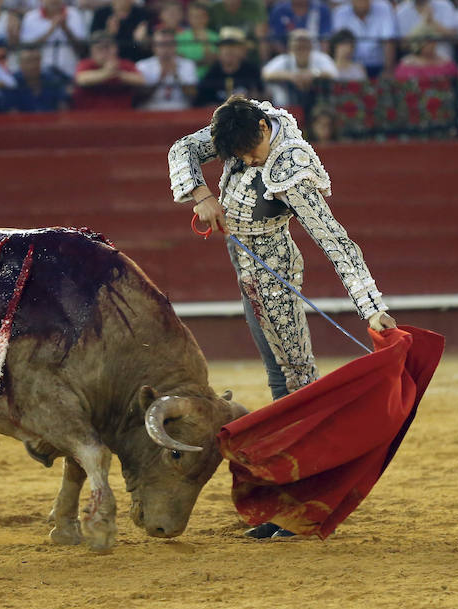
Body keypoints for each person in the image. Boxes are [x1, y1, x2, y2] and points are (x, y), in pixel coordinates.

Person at [168, 96, 396, 537]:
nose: (250, 161)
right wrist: (202, 194)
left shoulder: (293, 170)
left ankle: (303, 503)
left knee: (295, 383)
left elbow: (337, 243)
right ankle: (289, 500)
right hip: (246, 265)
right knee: (283, 379)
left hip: (274, 278)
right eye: (239, 157)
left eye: (252, 153)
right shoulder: (239, 129)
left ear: (262, 127)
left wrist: (372, 307)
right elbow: (183, 148)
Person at [262, 28, 337, 109]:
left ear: (311, 45)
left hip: (317, 103)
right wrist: (291, 76)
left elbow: (334, 73)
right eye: (298, 44)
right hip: (289, 104)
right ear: (291, 46)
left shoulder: (320, 58)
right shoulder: (285, 59)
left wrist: (313, 74)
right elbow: (266, 73)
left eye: (305, 43)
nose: (301, 46)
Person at [72, 29, 143, 109]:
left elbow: (140, 80)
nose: (104, 52)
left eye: (107, 47)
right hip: (89, 117)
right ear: (91, 51)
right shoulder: (86, 64)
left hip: (122, 117)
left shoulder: (125, 64)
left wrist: (117, 74)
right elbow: (81, 79)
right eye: (99, 48)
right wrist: (107, 72)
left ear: (116, 48)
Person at [194, 25, 262, 105]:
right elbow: (200, 102)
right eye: (224, 47)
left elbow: (263, 96)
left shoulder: (252, 71)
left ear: (243, 51)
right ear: (219, 51)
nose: (229, 50)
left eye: (234, 46)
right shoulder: (212, 73)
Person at [19, 0, 86, 80]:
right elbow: (26, 50)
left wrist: (66, 29)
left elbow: (83, 50)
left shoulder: (75, 14)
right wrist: (50, 30)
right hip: (41, 77)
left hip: (70, 73)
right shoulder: (30, 17)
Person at [135, 27, 197, 111]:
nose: (166, 49)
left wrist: (176, 75)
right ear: (154, 46)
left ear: (175, 45)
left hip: (181, 110)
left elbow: (192, 95)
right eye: (162, 44)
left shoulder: (188, 64)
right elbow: (139, 97)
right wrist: (160, 77)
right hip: (150, 111)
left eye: (169, 44)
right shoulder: (142, 65)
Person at [331, 0, 398, 78]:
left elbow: (389, 41)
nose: (361, 2)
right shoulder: (340, 13)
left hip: (378, 65)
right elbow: (338, 43)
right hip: (351, 65)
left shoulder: (384, 8)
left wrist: (388, 70)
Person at [0, 43, 69, 111]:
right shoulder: (11, 84)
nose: (33, 65)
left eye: (36, 60)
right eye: (29, 61)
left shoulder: (53, 81)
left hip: (51, 122)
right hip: (22, 122)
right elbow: (11, 115)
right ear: (20, 63)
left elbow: (62, 109)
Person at [268, 0, 334, 56]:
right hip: (286, 56)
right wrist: (291, 58)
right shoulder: (279, 11)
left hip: (316, 55)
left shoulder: (322, 9)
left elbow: (325, 40)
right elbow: (275, 40)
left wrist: (317, 59)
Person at [394, 25, 458, 80]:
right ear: (418, 44)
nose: (433, 44)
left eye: (434, 41)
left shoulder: (446, 63)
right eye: (429, 42)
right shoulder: (406, 65)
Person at [176, 0, 218, 79]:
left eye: (202, 16)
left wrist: (206, 44)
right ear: (189, 19)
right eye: (195, 17)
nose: (198, 20)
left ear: (207, 18)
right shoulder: (179, 37)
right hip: (187, 80)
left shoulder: (216, 37)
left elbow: (214, 63)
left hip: (210, 79)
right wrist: (203, 62)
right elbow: (181, 63)